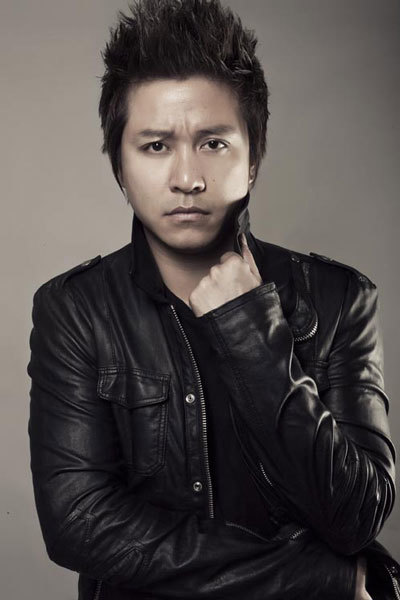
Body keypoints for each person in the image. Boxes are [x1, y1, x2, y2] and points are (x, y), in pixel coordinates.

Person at [27, 0, 399, 598]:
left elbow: (356, 513)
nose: (187, 178)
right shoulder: (76, 310)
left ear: (252, 159)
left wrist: (249, 327)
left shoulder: (339, 300)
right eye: (155, 146)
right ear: (119, 166)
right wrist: (318, 579)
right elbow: (80, 520)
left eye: (214, 143)